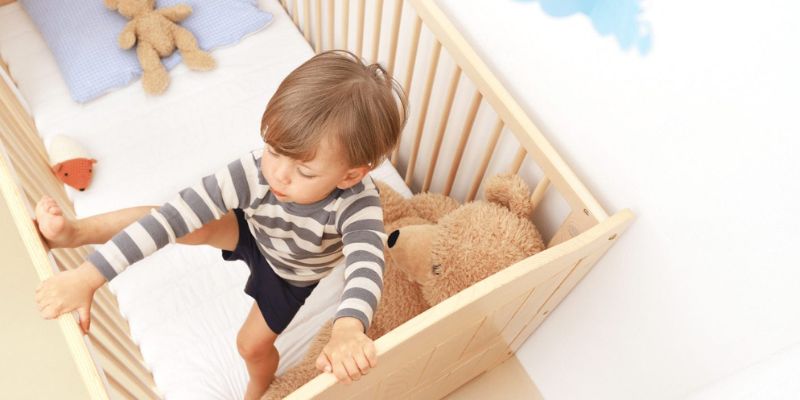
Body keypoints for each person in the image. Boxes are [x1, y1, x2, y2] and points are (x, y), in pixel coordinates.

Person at [33, 49, 407, 400]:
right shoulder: (253, 172)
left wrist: (348, 327)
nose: (278, 176)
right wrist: (88, 276)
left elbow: (366, 264)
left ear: (349, 175)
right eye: (274, 150)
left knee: (250, 345)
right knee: (177, 221)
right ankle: (75, 232)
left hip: (291, 272)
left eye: (304, 171)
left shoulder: (359, 204)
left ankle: (260, 387)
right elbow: (171, 217)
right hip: (252, 229)